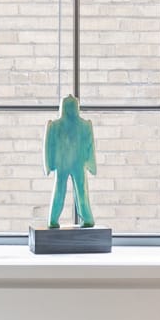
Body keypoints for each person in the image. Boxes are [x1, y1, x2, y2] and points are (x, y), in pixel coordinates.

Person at [44, 94, 96, 229]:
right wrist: (90, 163)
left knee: (67, 190)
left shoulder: (57, 126)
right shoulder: (82, 125)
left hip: (68, 164)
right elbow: (49, 146)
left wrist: (49, 164)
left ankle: (54, 219)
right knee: (77, 191)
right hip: (71, 164)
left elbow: (49, 147)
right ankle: (84, 218)